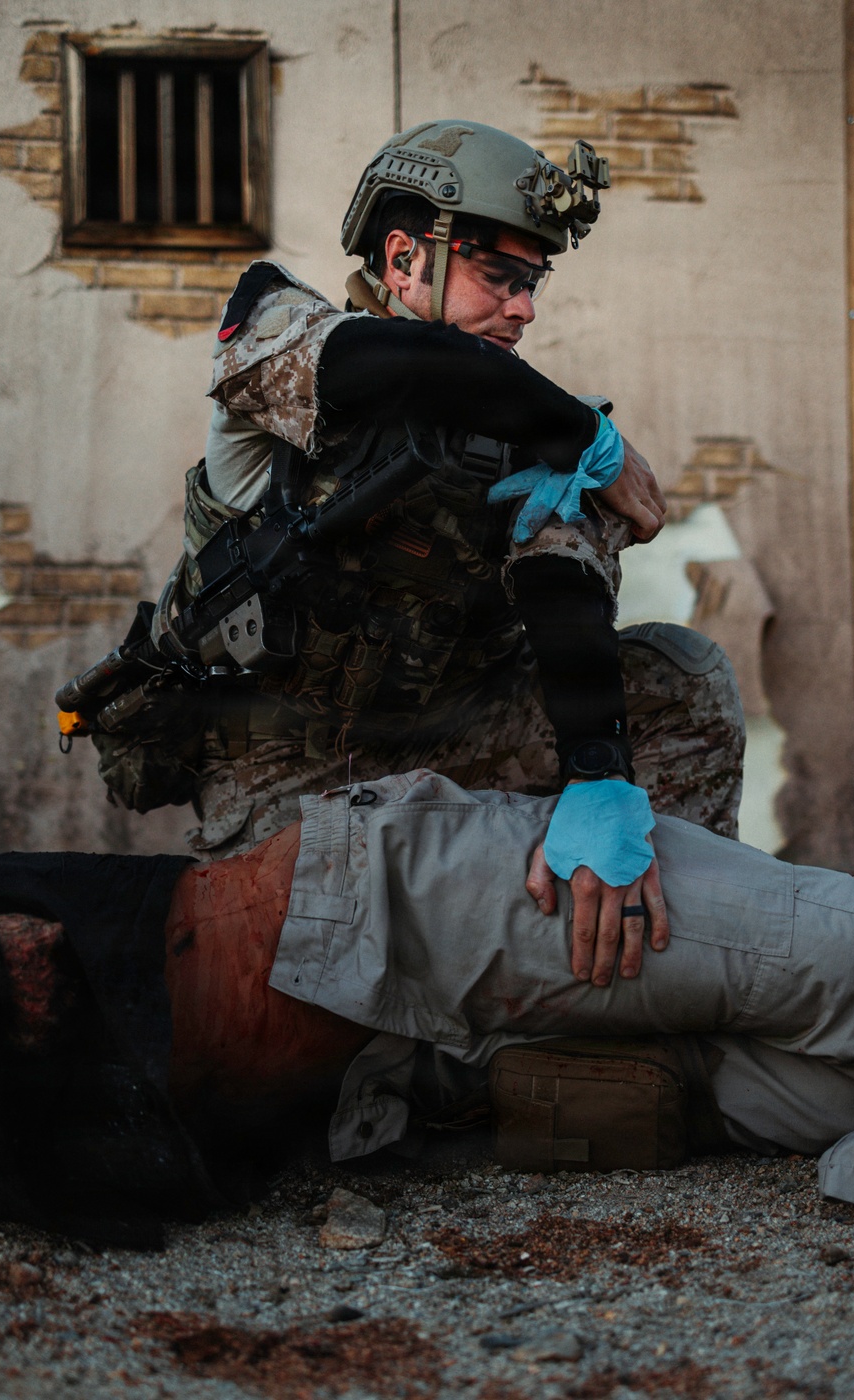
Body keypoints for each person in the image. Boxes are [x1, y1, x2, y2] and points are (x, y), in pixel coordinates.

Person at [103, 119, 745, 975]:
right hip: (289, 760)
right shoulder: (281, 332)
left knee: (686, 680)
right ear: (404, 260)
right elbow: (407, 370)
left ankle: (660, 953)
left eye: (534, 282)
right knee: (309, 988)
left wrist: (599, 775)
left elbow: (565, 588)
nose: (523, 306)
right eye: (499, 276)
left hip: (456, 730)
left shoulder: (532, 423)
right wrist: (585, 431)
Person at [0, 769, 854, 1252]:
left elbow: (26, 953)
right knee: (828, 1097)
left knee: (850, 953)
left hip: (377, 916)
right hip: (374, 1093)